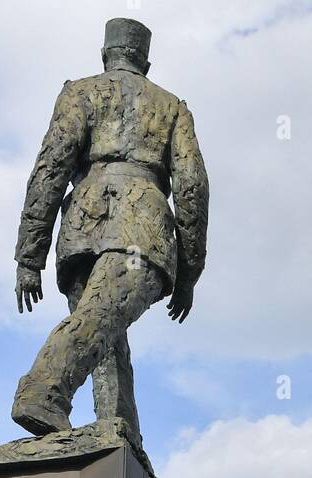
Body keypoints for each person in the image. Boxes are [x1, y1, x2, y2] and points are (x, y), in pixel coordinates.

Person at [12, 17, 209, 440]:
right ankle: (43, 391)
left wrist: (31, 256)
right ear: (147, 63)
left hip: (83, 227)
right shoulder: (172, 106)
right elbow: (191, 186)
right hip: (143, 228)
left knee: (103, 327)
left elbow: (49, 172)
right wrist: (189, 272)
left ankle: (120, 432)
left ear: (106, 55)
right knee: (100, 320)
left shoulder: (79, 93)